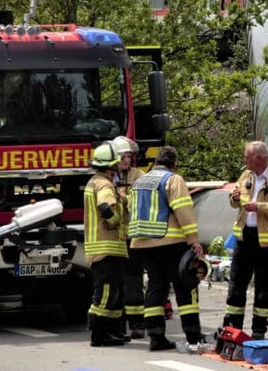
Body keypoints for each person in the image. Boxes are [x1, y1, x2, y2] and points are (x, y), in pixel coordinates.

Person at [128, 146, 205, 351]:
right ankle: (193, 336)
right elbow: (183, 210)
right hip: (170, 241)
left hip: (143, 243)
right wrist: (193, 240)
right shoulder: (173, 180)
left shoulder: (139, 181)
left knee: (156, 288)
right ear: (174, 163)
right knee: (185, 288)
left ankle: (156, 336)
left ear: (156, 162)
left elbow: (131, 210)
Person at [220, 141, 268, 340]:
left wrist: (259, 207)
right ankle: (233, 329)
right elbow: (234, 201)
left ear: (259, 158)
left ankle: (259, 331)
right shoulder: (246, 176)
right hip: (245, 237)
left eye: (247, 157)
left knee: (263, 286)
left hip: (267, 241)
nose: (245, 161)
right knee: (236, 284)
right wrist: (235, 198)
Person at [84, 142, 130, 347]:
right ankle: (99, 334)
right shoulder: (104, 184)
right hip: (106, 247)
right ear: (112, 165)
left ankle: (113, 332)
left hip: (106, 248)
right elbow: (105, 206)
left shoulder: (95, 182)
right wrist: (113, 221)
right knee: (105, 293)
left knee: (114, 292)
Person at [110, 136, 147, 339]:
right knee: (115, 281)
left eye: (129, 156)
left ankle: (137, 323)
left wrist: (123, 197)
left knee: (133, 281)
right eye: (123, 156)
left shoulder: (138, 176)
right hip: (113, 237)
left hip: (132, 237)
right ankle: (117, 325)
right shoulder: (106, 178)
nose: (127, 160)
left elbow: (140, 202)